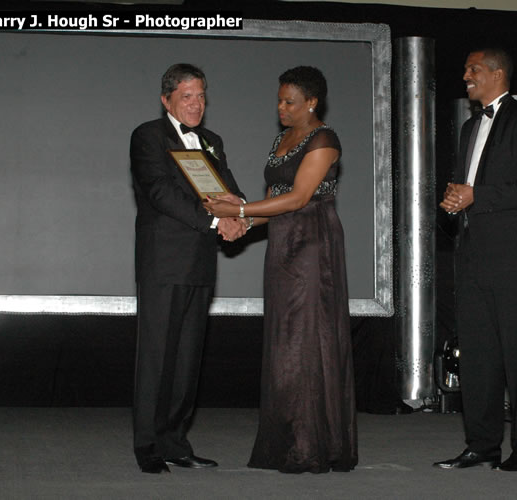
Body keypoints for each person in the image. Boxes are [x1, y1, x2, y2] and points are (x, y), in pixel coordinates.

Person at [204, 66, 358, 473]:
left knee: (308, 341)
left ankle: (312, 446)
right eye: (279, 100)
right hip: (282, 247)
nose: (281, 108)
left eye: (289, 101)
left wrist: (236, 209)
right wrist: (241, 224)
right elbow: (273, 199)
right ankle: (286, 441)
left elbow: (299, 198)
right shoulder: (281, 139)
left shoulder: (325, 139)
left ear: (312, 102)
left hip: (313, 245)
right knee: (285, 341)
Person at [436, 48, 517, 471]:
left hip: (513, 259)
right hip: (473, 257)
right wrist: (455, 200)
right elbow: (470, 187)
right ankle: (481, 445)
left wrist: (476, 196)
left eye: (474, 69)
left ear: (498, 73)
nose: (465, 75)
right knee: (478, 357)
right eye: (466, 68)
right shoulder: (469, 127)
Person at [130, 63, 248, 474]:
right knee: (157, 356)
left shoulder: (211, 140)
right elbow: (161, 193)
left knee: (186, 358)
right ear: (167, 100)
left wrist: (243, 215)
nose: (196, 104)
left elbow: (230, 189)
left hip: (200, 261)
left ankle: (176, 441)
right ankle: (147, 444)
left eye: (201, 96)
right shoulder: (148, 135)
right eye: (187, 96)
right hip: (163, 262)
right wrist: (219, 221)